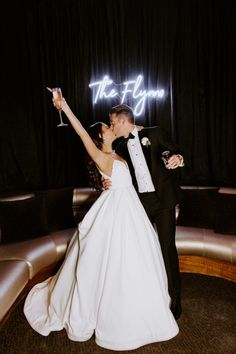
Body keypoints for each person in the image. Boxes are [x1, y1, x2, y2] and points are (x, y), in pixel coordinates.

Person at [23, 92, 179, 351]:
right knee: (111, 266)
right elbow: (81, 132)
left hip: (132, 213)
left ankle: (142, 306)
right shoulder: (100, 156)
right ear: (100, 137)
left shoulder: (119, 154)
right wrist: (64, 105)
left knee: (139, 262)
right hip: (115, 216)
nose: (110, 127)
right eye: (106, 127)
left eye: (110, 122)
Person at [102, 104, 184, 320]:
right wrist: (105, 180)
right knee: (142, 250)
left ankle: (175, 299)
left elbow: (177, 151)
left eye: (112, 122)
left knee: (166, 247)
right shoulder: (119, 147)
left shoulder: (155, 133)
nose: (112, 126)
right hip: (141, 203)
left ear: (122, 121)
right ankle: (148, 297)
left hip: (164, 200)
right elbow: (111, 168)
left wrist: (179, 159)